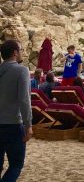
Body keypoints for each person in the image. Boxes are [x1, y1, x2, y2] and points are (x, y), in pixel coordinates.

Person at [0, 39, 32, 182]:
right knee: (16, 165)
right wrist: (28, 125)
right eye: (21, 50)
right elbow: (24, 100)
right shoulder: (21, 70)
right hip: (13, 124)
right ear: (15, 53)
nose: (22, 52)